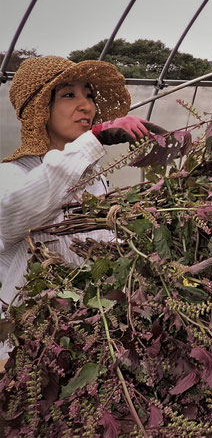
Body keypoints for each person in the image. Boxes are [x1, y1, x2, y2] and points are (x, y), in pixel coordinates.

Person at [0, 56, 162, 359]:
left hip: (88, 345)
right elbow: (18, 214)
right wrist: (93, 139)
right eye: (68, 95)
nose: (86, 105)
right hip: (28, 353)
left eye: (88, 95)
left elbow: (105, 252)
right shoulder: (11, 176)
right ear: (39, 109)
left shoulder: (93, 181)